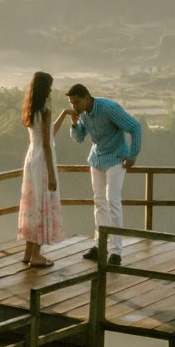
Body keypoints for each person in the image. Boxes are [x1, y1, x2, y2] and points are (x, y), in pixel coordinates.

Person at [62, 83, 142, 264]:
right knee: (99, 202)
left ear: (86, 98)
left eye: (76, 102)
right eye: (71, 103)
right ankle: (100, 246)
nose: (73, 106)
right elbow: (79, 139)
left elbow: (135, 127)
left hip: (116, 157)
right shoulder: (83, 115)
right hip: (97, 159)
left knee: (113, 201)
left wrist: (133, 155)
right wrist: (74, 124)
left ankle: (116, 252)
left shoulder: (109, 108)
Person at [15, 71, 63, 267]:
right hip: (42, 160)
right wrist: (52, 174)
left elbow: (48, 135)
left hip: (31, 158)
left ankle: (28, 252)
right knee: (42, 203)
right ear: (46, 89)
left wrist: (65, 114)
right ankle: (36, 255)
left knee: (32, 202)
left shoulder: (30, 110)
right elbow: (47, 144)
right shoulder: (45, 110)